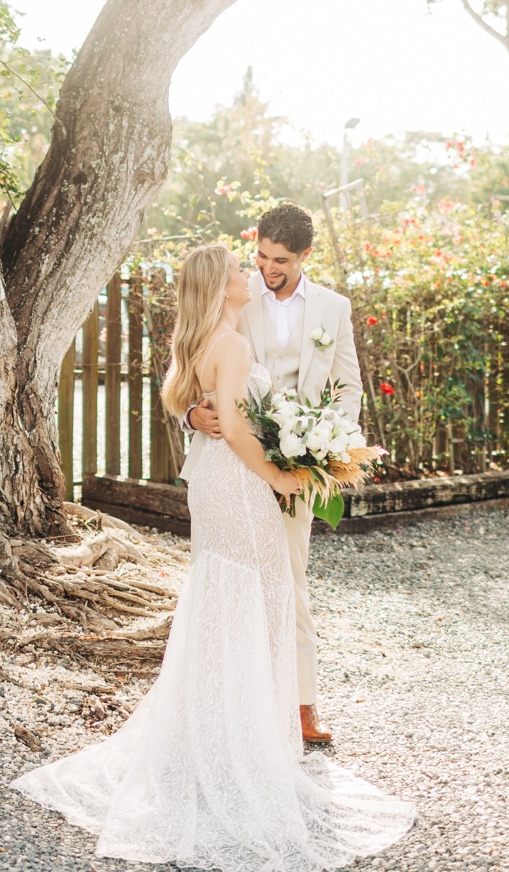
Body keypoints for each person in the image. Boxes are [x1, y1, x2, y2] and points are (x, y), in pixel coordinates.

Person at [12, 244, 413, 870]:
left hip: (218, 484)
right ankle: (240, 748)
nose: (249, 276)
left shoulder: (206, 338)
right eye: (238, 271)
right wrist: (279, 480)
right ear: (219, 285)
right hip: (238, 483)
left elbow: (216, 407)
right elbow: (232, 422)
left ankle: (223, 734)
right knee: (264, 596)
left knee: (228, 600)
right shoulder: (231, 343)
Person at [184, 202, 360, 746]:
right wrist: (193, 413)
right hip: (237, 467)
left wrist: (328, 447)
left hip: (299, 468)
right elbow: (194, 367)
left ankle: (301, 704)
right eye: (259, 256)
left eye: (280, 260)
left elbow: (348, 386)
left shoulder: (334, 308)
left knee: (291, 580)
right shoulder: (234, 299)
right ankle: (236, 705)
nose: (266, 268)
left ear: (306, 255)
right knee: (233, 584)